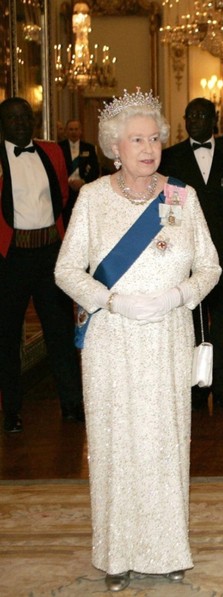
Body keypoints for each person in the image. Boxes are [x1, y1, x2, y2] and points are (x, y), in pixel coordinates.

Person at [54, 89, 221, 591]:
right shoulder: (92, 198)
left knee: (165, 442)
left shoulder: (181, 197)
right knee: (115, 444)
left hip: (167, 335)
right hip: (111, 340)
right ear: (114, 147)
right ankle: (116, 555)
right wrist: (112, 301)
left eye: (154, 138)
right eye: (136, 139)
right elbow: (66, 270)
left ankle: (168, 548)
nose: (148, 147)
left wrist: (176, 296)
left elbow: (209, 267)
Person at [0, 97, 84, 433]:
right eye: (12, 117)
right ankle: (12, 411)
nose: (20, 122)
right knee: (6, 337)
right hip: (11, 257)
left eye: (25, 116)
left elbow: (62, 195)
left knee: (61, 333)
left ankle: (71, 404)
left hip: (51, 254)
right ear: (3, 123)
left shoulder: (52, 151)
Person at [160, 98, 223, 411]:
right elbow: (169, 215)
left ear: (214, 119)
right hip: (186, 258)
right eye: (190, 114)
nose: (195, 119)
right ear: (184, 119)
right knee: (190, 325)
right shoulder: (171, 158)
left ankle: (222, 387)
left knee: (222, 324)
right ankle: (195, 388)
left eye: (201, 115)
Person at [58, 118, 101, 221]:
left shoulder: (89, 148)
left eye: (76, 129)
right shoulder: (59, 147)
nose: (74, 132)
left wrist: (83, 182)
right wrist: (67, 182)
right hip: (65, 190)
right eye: (71, 129)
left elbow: (95, 169)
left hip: (83, 189)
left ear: (81, 131)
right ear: (66, 131)